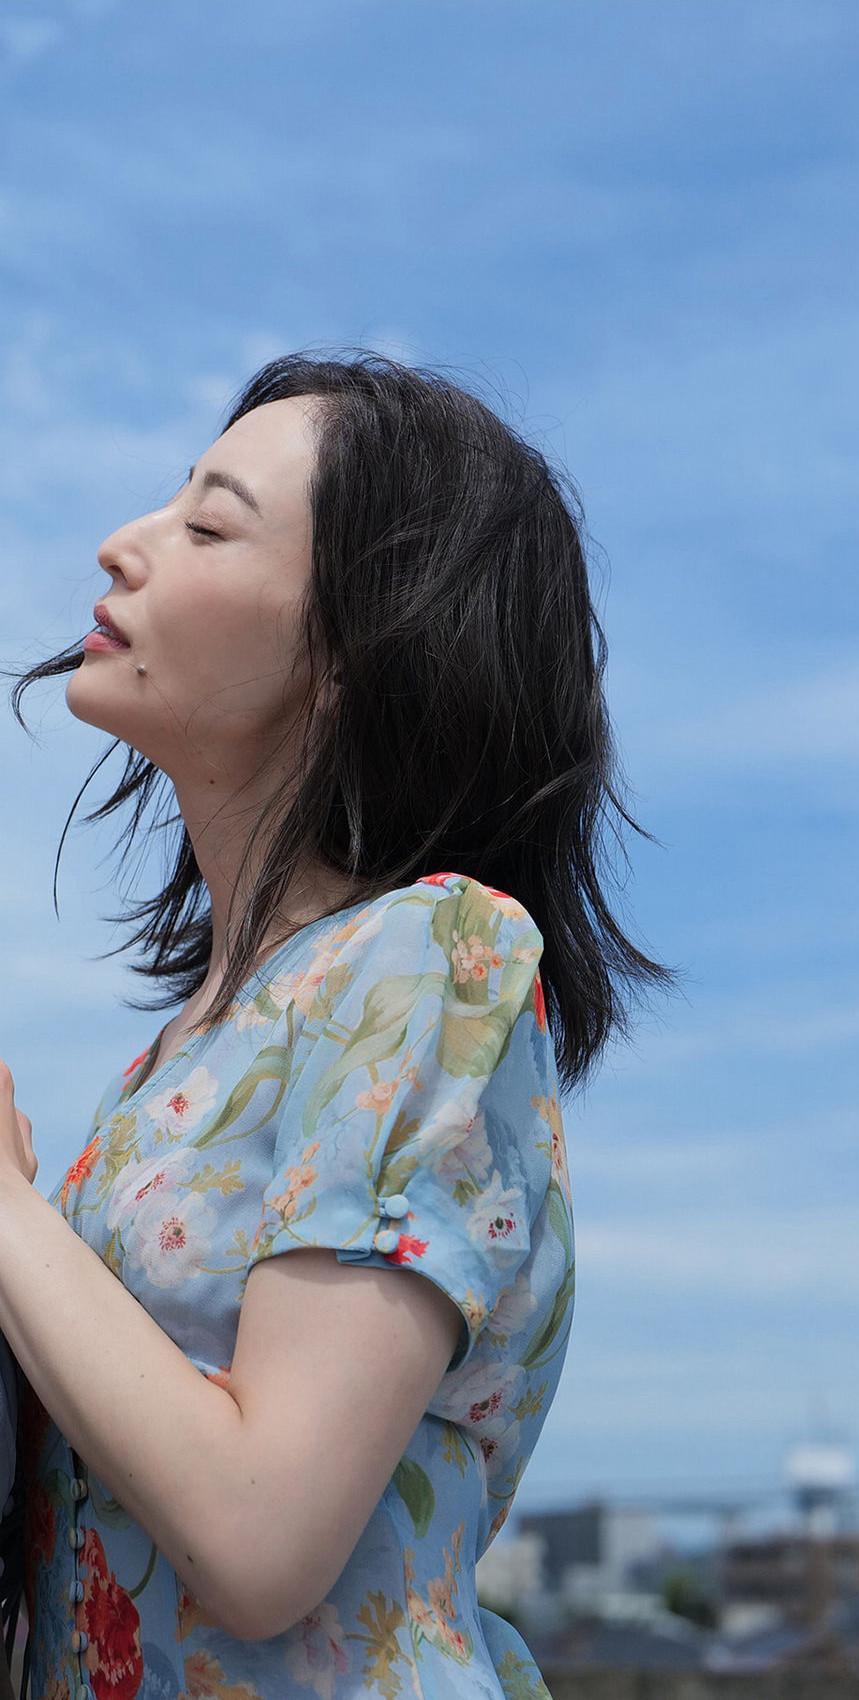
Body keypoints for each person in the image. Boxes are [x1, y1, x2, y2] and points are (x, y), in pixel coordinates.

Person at [0, 351, 681, 1700]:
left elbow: (260, 1535)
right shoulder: (189, 1053)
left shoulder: (435, 957)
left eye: (207, 525)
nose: (123, 546)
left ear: (351, 657)